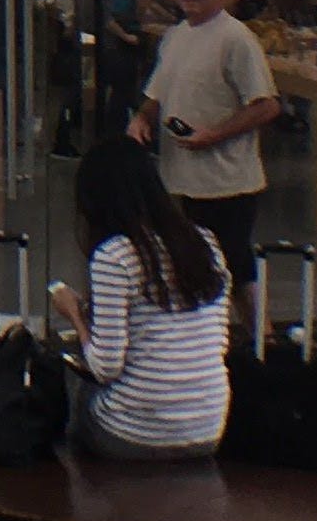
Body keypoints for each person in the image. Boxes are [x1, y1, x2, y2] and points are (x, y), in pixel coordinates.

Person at [51, 143, 231, 459]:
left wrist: (75, 317)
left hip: (134, 434)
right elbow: (219, 342)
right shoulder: (204, 242)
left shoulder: (114, 256)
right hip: (208, 428)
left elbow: (106, 367)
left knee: (79, 388)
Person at [131, 0, 279, 332]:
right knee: (191, 262)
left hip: (227, 183)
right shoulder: (176, 37)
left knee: (234, 263)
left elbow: (265, 106)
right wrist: (141, 119)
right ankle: (210, 338)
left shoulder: (236, 39)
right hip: (180, 179)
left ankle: (262, 338)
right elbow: (157, 94)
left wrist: (214, 135)